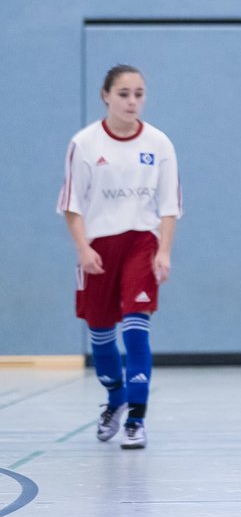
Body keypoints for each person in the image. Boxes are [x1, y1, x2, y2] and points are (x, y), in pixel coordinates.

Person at [57, 65, 182, 450]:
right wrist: (83, 248)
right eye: (124, 93)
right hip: (98, 246)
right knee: (101, 335)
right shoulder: (85, 143)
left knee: (136, 326)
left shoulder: (159, 143)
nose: (132, 101)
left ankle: (137, 419)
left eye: (139, 94)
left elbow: (169, 205)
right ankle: (114, 399)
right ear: (105, 95)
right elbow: (72, 204)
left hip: (141, 243)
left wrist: (163, 250)